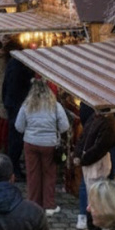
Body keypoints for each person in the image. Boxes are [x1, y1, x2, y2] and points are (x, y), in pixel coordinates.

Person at [14, 79, 69, 215]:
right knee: (49, 174)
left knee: (33, 174)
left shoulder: (27, 105)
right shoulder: (55, 106)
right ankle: (49, 205)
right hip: (49, 143)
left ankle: (33, 203)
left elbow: (19, 127)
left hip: (31, 143)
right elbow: (65, 126)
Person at [72, 109, 115, 230]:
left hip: (97, 165)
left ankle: (95, 226)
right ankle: (90, 224)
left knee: (96, 196)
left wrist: (83, 158)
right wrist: (78, 154)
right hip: (90, 163)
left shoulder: (109, 123)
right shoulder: (95, 117)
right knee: (90, 192)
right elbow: (83, 136)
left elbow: (100, 147)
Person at [2, 51, 33, 180]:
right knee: (16, 139)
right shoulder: (21, 69)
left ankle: (13, 167)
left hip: (12, 103)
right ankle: (14, 169)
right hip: (18, 105)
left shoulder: (12, 64)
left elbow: (5, 86)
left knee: (14, 138)